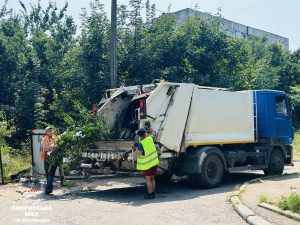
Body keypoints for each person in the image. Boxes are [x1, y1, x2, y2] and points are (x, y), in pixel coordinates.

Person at [136, 123, 159, 199]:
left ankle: (149, 194)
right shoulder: (150, 138)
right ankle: (152, 193)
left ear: (140, 136)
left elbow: (139, 154)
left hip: (147, 165)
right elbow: (154, 132)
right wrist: (149, 126)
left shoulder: (141, 143)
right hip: (153, 163)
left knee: (147, 179)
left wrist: (136, 147)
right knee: (152, 178)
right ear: (145, 134)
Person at [41, 126, 59, 194]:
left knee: (51, 172)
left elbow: (59, 146)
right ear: (46, 132)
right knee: (47, 173)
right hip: (46, 158)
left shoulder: (56, 138)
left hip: (54, 158)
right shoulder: (44, 139)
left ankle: (48, 189)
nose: (51, 132)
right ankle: (49, 187)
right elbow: (45, 148)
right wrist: (54, 147)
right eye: (49, 131)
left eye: (52, 131)